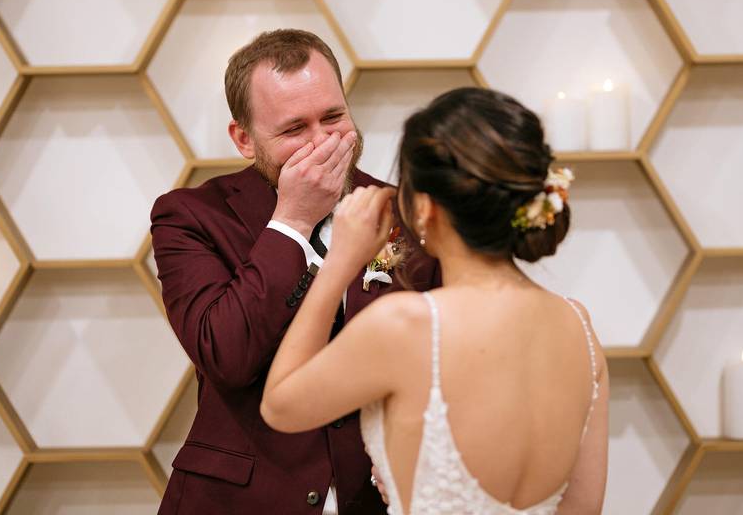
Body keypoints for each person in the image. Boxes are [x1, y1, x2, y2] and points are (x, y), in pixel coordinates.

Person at [261, 87, 609, 514]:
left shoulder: (407, 325)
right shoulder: (579, 327)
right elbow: (585, 507)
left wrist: (339, 265)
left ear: (423, 208)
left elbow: (280, 405)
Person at [150, 29, 440, 514]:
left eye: (334, 117)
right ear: (244, 139)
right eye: (294, 130)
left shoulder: (408, 214)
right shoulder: (191, 215)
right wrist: (293, 221)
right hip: (239, 500)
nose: (323, 142)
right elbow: (227, 355)